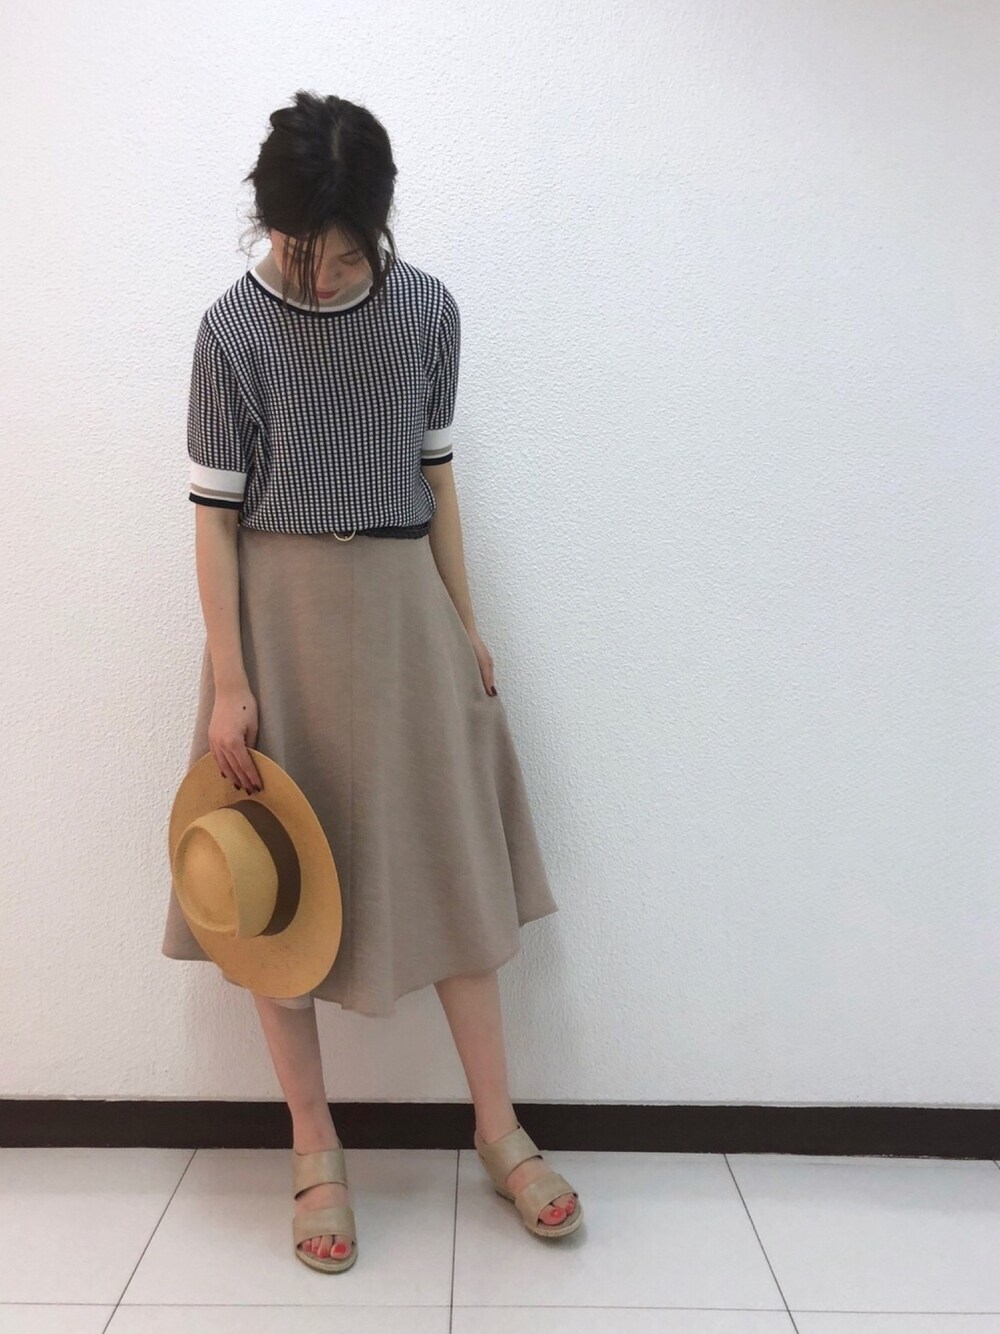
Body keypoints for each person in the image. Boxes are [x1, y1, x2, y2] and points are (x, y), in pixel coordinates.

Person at [161, 90, 582, 1269]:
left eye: (350, 256)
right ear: (269, 223)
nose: (327, 277)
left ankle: (499, 1129)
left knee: (449, 875)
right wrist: (230, 681)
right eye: (305, 253)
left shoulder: (428, 310)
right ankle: (314, 1144)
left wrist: (464, 625)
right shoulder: (230, 331)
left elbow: (435, 479)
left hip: (404, 612)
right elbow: (213, 517)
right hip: (277, 623)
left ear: (381, 229)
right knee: (272, 887)